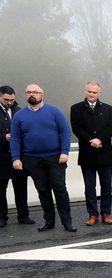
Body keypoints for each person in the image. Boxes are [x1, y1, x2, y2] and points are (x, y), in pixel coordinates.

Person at [11, 84, 76, 232]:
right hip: (32, 159)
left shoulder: (54, 111)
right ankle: (49, 222)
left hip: (55, 158)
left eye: (35, 92)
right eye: (28, 92)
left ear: (42, 95)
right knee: (42, 190)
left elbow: (65, 131)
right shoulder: (19, 115)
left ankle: (68, 223)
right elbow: (15, 138)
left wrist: (64, 152)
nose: (31, 94)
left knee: (59, 189)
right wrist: (16, 158)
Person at [70, 82, 112, 226]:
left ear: (99, 93)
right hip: (87, 153)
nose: (91, 94)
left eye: (94, 92)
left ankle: (106, 213)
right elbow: (76, 128)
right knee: (89, 187)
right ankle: (92, 214)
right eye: (89, 91)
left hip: (105, 153)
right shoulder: (76, 108)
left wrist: (100, 139)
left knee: (106, 186)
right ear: (86, 91)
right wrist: (91, 140)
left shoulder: (108, 109)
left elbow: (111, 127)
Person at [0, 85, 35, 227]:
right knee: (1, 189)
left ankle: (23, 215)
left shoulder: (19, 111)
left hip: (18, 156)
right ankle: (2, 217)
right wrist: (4, 137)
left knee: (21, 186)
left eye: (12, 99)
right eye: (6, 99)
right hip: (1, 156)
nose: (9, 102)